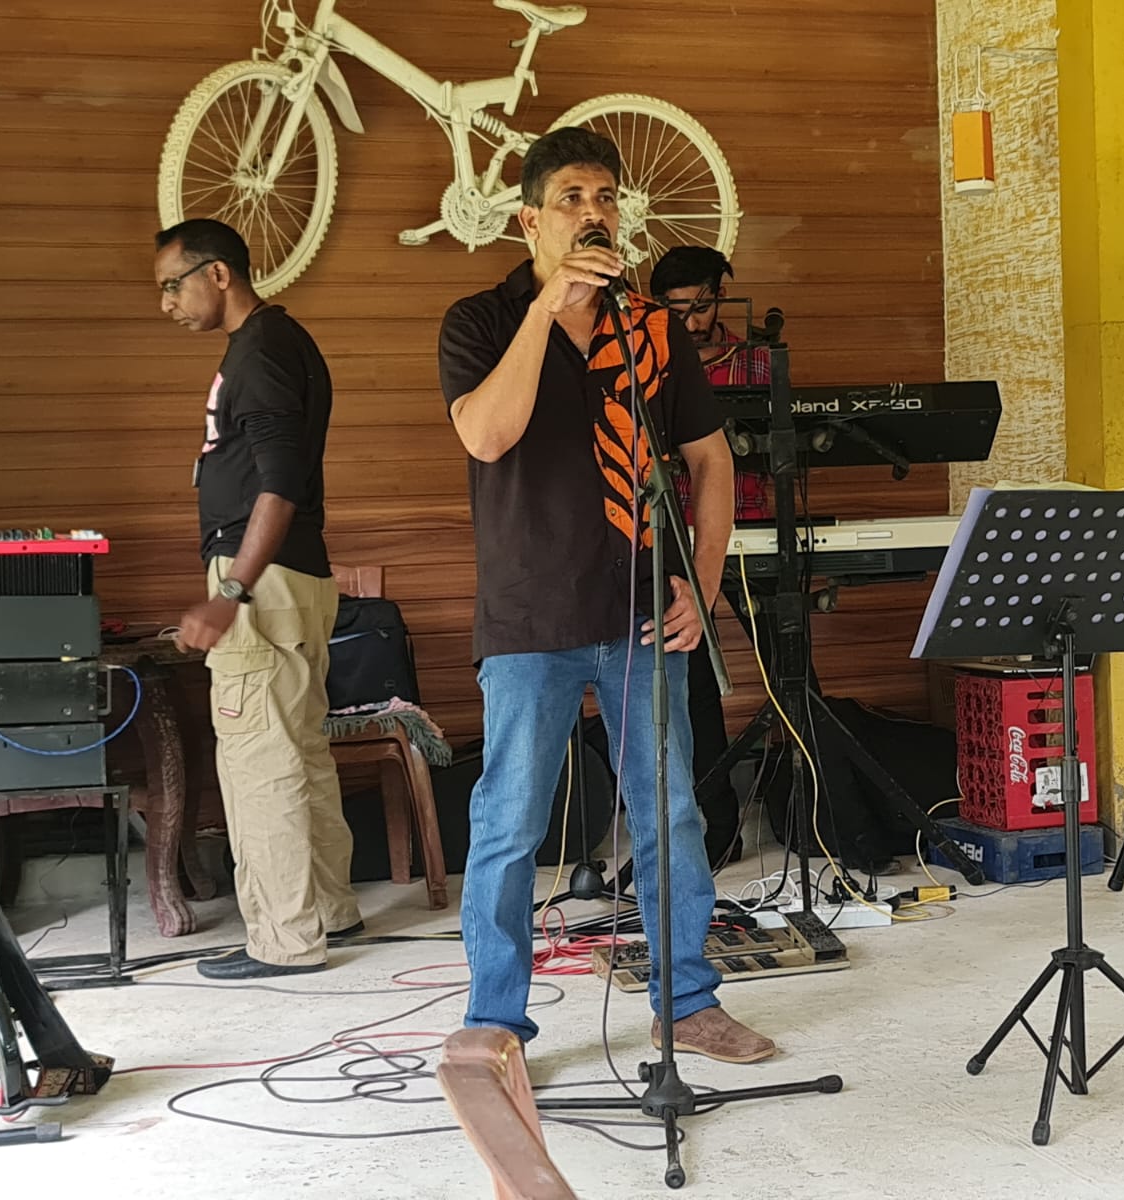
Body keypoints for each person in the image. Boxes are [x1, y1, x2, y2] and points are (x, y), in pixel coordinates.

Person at [437, 128, 775, 1063]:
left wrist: (702, 583)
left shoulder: (652, 329)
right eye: (573, 198)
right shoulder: (479, 320)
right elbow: (487, 437)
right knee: (509, 825)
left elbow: (709, 459)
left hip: (640, 613)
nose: (594, 212)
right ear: (529, 219)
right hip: (529, 618)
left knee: (669, 815)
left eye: (606, 197)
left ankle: (689, 1002)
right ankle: (496, 1024)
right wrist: (549, 307)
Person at [154, 218, 362, 980]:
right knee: (301, 751)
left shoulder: (262, 351)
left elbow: (279, 481)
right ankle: (329, 912)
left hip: (261, 580)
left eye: (172, 284)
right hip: (296, 574)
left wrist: (232, 590)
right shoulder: (279, 343)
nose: (166, 303)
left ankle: (284, 938)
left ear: (217, 274)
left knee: (259, 762)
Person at [649, 247, 774, 869]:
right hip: (676, 536)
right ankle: (714, 824)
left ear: (719, 298)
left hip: (755, 530)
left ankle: (806, 818)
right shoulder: (654, 361)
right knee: (692, 687)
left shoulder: (755, 358)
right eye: (676, 309)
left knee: (787, 678)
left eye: (701, 307)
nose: (691, 322)